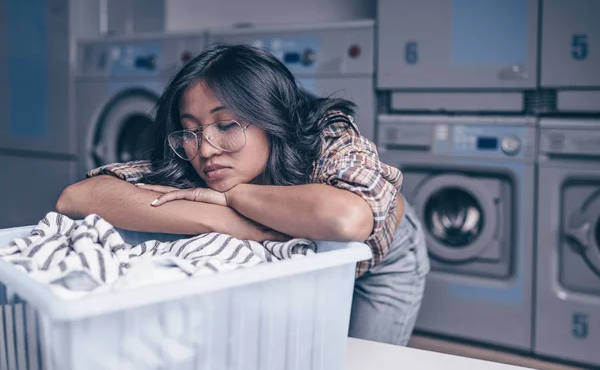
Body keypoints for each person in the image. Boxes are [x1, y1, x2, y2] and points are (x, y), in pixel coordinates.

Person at [56, 44, 430, 346]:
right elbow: (77, 197)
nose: (205, 150)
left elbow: (346, 219)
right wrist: (229, 221)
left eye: (226, 125)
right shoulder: (188, 159)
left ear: (269, 119)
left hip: (381, 261)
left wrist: (233, 197)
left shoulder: (326, 134)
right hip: (314, 270)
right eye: (191, 131)